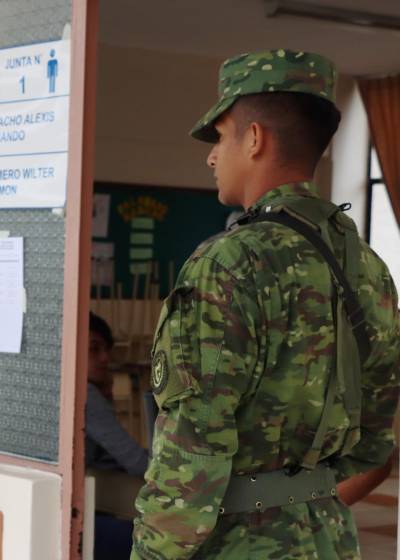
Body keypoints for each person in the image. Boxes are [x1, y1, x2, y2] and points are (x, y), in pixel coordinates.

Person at [131, 49, 400, 559]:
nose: (211, 156)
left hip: (236, 544)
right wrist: (303, 498)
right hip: (331, 539)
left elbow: (191, 456)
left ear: (254, 139)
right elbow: (372, 448)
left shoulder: (229, 262)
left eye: (219, 136)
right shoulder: (368, 268)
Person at [86, 312, 149, 559]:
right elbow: (135, 462)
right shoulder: (85, 394)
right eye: (93, 349)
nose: (105, 359)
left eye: (106, 350)